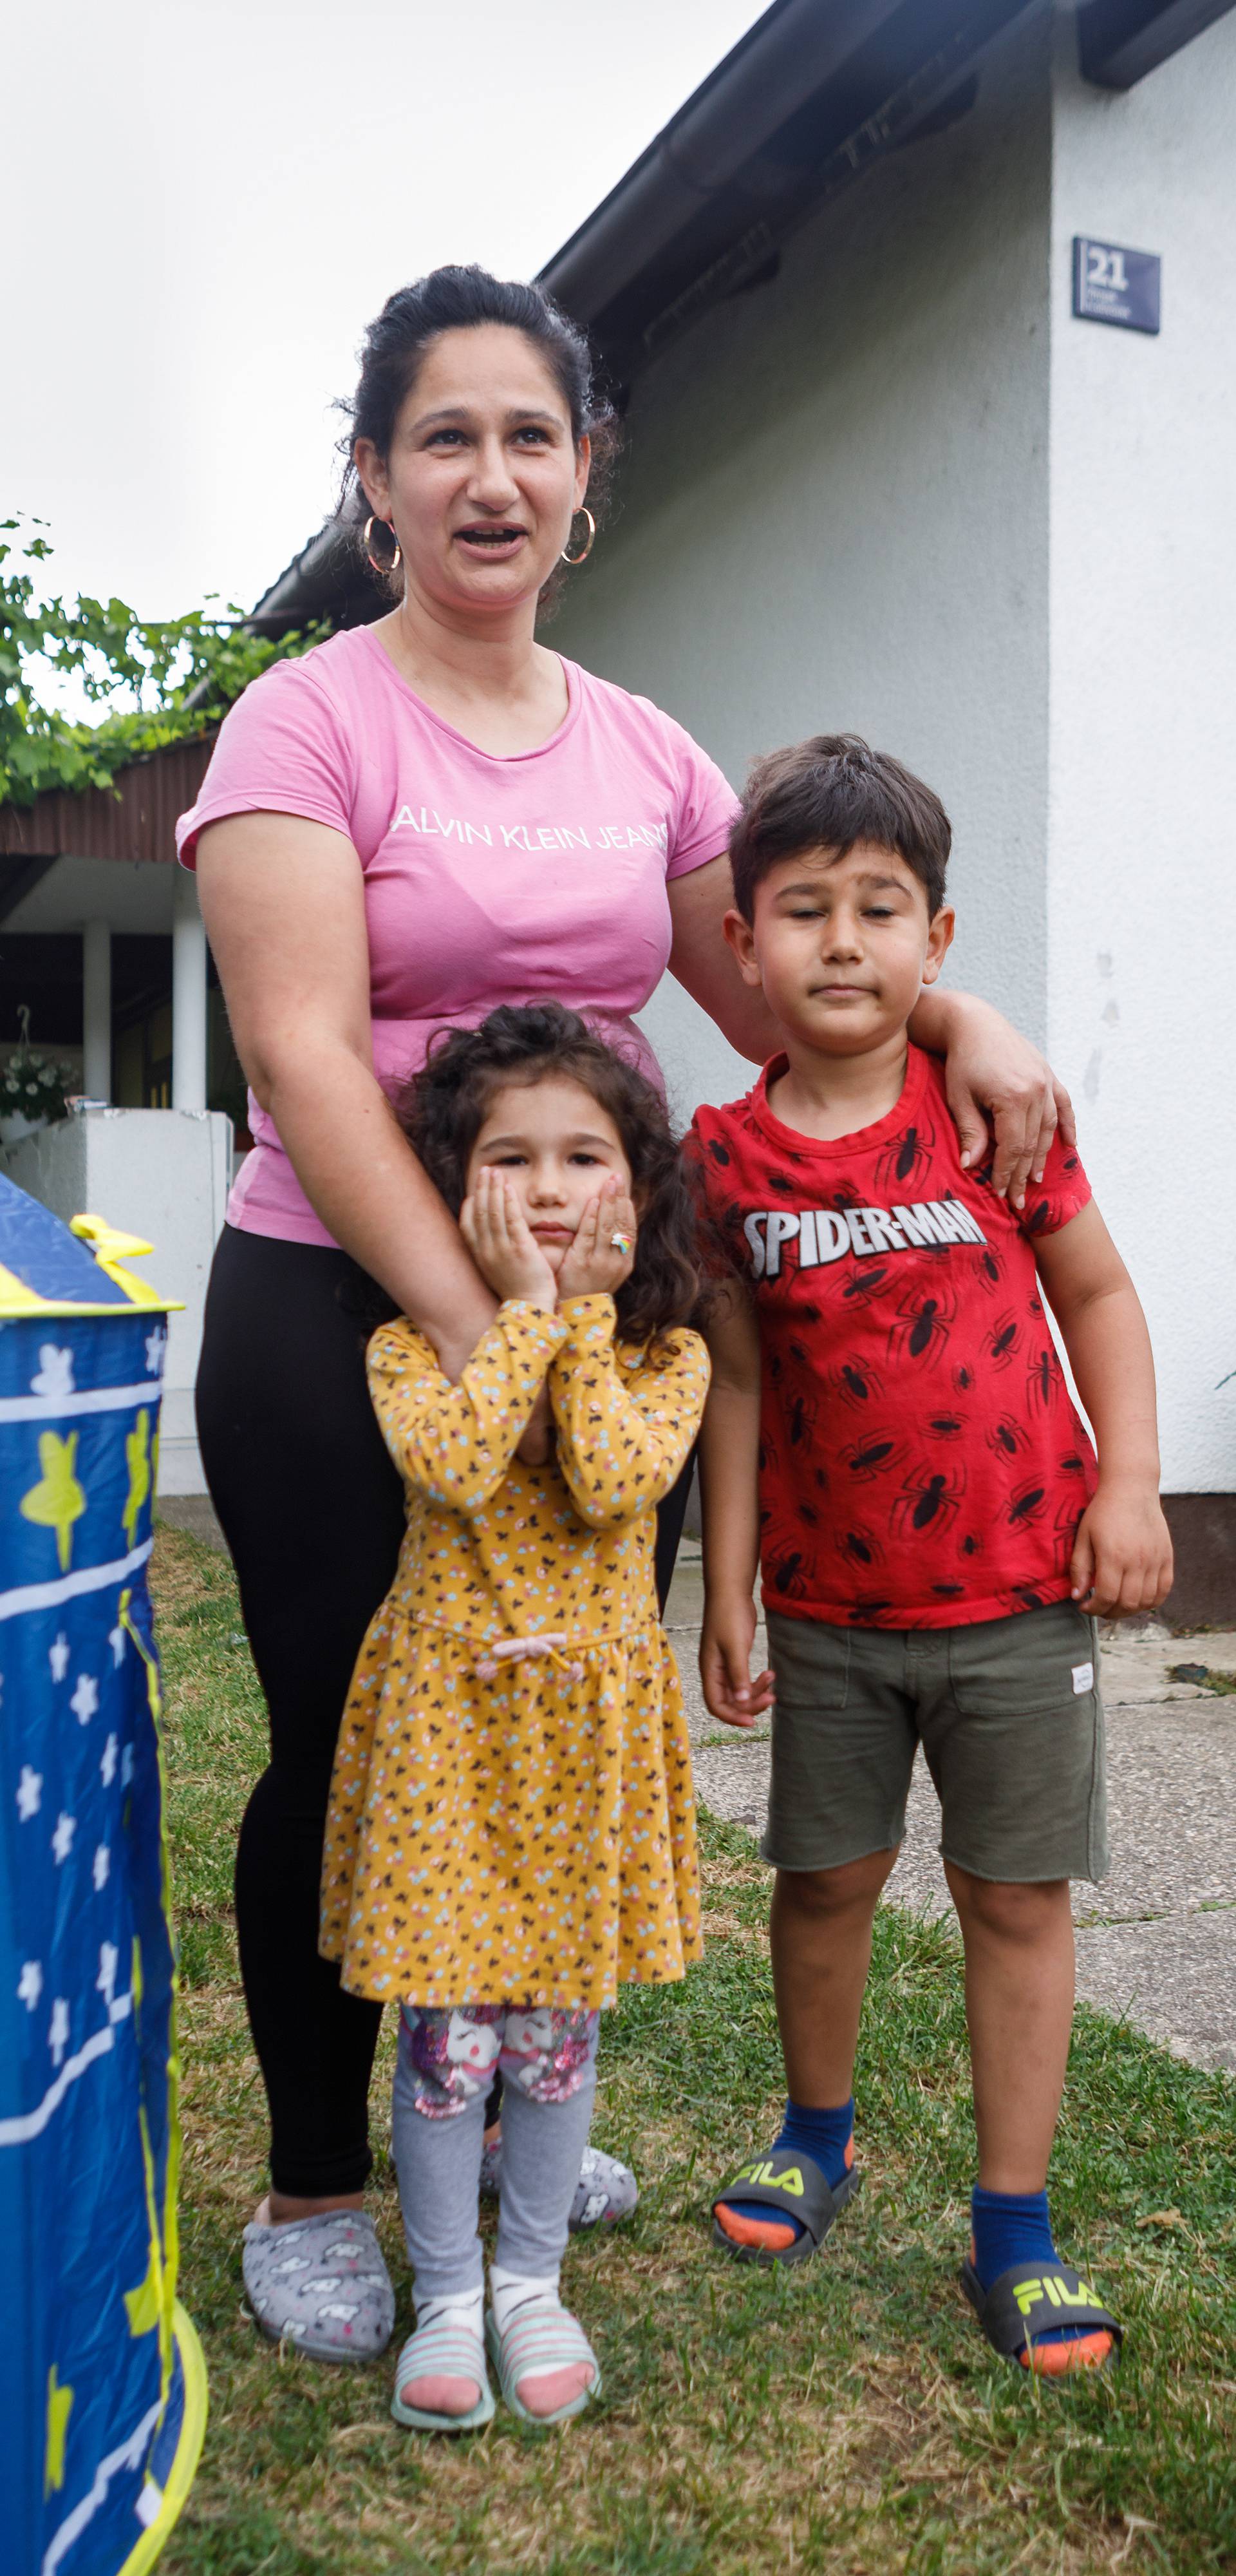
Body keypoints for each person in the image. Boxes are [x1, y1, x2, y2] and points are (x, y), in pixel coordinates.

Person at [181, 260, 1078, 2365]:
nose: (489, 477)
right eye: (443, 437)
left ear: (586, 478)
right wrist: (490, 1321)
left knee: (567, 1720)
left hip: (605, 1329)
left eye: (530, 436)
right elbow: (309, 1058)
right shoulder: (303, 722)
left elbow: (778, 987)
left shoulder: (649, 751)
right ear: (375, 478)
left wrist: (962, 1007)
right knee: (349, 1740)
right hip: (341, 1319)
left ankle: (511, 2132)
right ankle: (321, 2178)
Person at [691, 735, 1173, 2374]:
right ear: (741, 942)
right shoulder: (726, 1160)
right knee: (823, 1881)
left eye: (879, 908)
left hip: (1023, 1597)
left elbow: (1097, 1296)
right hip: (827, 1613)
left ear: (939, 942)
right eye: (803, 909)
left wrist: (1134, 1487)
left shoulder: (993, 1110)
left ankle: (1016, 2225)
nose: (842, 941)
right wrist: (732, 1583)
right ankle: (813, 2135)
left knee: (1011, 1898)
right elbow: (739, 1378)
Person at [315, 1003, 707, 2429]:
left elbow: (610, 1481)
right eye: (512, 1156)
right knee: (445, 2034)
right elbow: (464, 1465)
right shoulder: (410, 1352)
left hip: (583, 1743)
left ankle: (533, 2280)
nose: (550, 1188)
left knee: (552, 2028)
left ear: (641, 1188)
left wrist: (585, 1322)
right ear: (453, 1184)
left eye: (586, 1155)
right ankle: (447, 2296)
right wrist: (523, 1316)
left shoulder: (669, 1359)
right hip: (452, 1736)